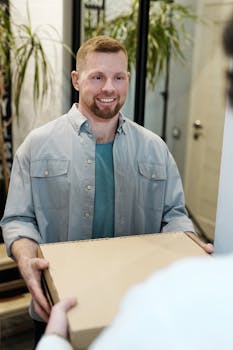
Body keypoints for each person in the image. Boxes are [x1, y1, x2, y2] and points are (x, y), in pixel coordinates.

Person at [0, 35, 212, 345]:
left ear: (128, 79)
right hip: (60, 306)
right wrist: (26, 261)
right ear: (76, 79)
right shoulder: (37, 145)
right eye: (97, 76)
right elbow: (18, 219)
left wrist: (192, 248)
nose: (109, 88)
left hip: (137, 308)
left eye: (119, 77)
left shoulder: (155, 149)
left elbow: (174, 215)